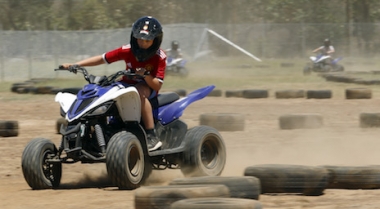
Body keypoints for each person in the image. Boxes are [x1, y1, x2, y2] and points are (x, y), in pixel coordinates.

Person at [61, 16, 166, 152]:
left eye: (147, 40)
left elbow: (157, 85)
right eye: (140, 39)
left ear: (156, 40)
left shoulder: (160, 56)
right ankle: (100, 131)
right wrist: (75, 65)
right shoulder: (127, 50)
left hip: (147, 87)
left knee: (138, 93)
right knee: (104, 92)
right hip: (126, 84)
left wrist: (145, 75)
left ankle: (151, 135)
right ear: (134, 37)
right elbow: (102, 59)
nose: (143, 43)